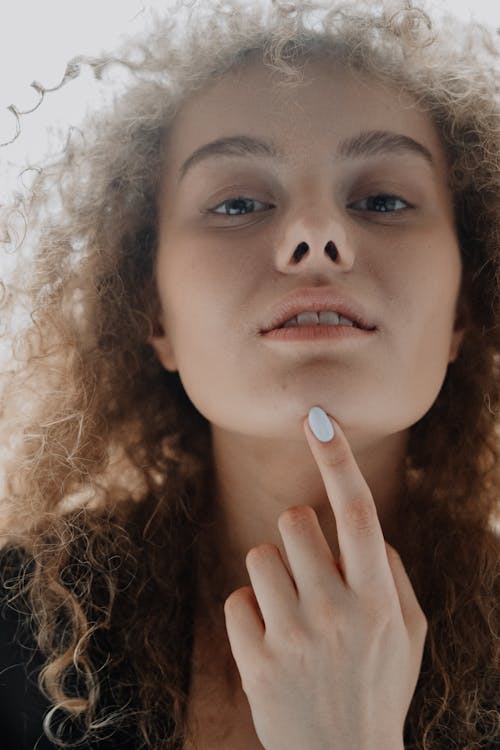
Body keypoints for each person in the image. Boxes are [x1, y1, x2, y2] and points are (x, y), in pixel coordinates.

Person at [0, 0, 498, 748]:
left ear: (463, 308)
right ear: (154, 313)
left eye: (383, 199)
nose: (316, 236)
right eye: (237, 202)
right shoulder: (13, 631)